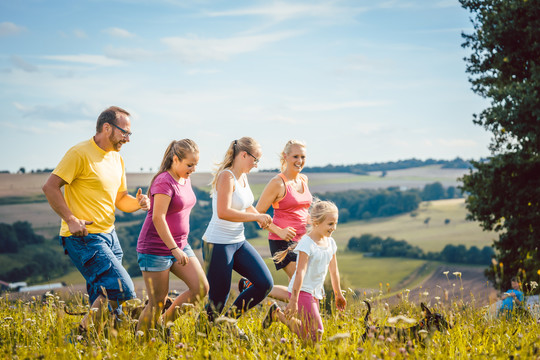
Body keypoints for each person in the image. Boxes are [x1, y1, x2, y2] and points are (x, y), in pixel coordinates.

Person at [42, 106, 150, 334]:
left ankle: (93, 343)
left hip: (110, 237)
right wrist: (70, 219)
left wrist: (138, 203)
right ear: (107, 127)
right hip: (83, 237)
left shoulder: (117, 159)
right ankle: (79, 337)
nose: (127, 139)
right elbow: (50, 187)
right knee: (122, 289)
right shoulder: (79, 153)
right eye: (125, 132)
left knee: (103, 299)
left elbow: (120, 199)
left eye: (130, 134)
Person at [201, 137, 273, 339]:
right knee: (217, 300)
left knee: (264, 283)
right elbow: (224, 212)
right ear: (243, 155)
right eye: (255, 160)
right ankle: (201, 337)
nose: (256, 164)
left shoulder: (243, 177)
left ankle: (228, 323)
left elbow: (246, 205)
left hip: (238, 242)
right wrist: (255, 216)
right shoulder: (227, 177)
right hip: (217, 244)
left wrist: (263, 219)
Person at [136, 139, 209, 335]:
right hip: (156, 249)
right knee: (157, 301)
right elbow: (158, 218)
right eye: (189, 164)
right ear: (175, 159)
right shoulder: (163, 181)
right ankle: (139, 341)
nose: (193, 169)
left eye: (196, 164)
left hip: (180, 244)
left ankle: (162, 326)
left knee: (201, 288)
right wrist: (173, 249)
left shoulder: (185, 177)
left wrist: (178, 246)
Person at [262, 200, 346, 343]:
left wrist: (338, 294)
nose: (334, 228)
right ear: (316, 222)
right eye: (330, 224)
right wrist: (294, 300)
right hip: (303, 292)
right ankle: (273, 307)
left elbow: (334, 271)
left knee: (309, 334)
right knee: (317, 333)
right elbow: (299, 273)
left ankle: (277, 315)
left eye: (336, 223)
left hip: (315, 293)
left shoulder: (330, 243)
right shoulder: (307, 243)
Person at [243, 140, 312, 301]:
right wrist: (279, 231)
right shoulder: (277, 183)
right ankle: (254, 286)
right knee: (303, 287)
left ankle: (282, 317)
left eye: (303, 156)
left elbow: (301, 210)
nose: (299, 161)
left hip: (302, 242)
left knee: (295, 292)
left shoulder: (304, 180)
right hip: (282, 242)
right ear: (285, 156)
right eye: (295, 156)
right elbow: (258, 213)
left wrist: (313, 221)